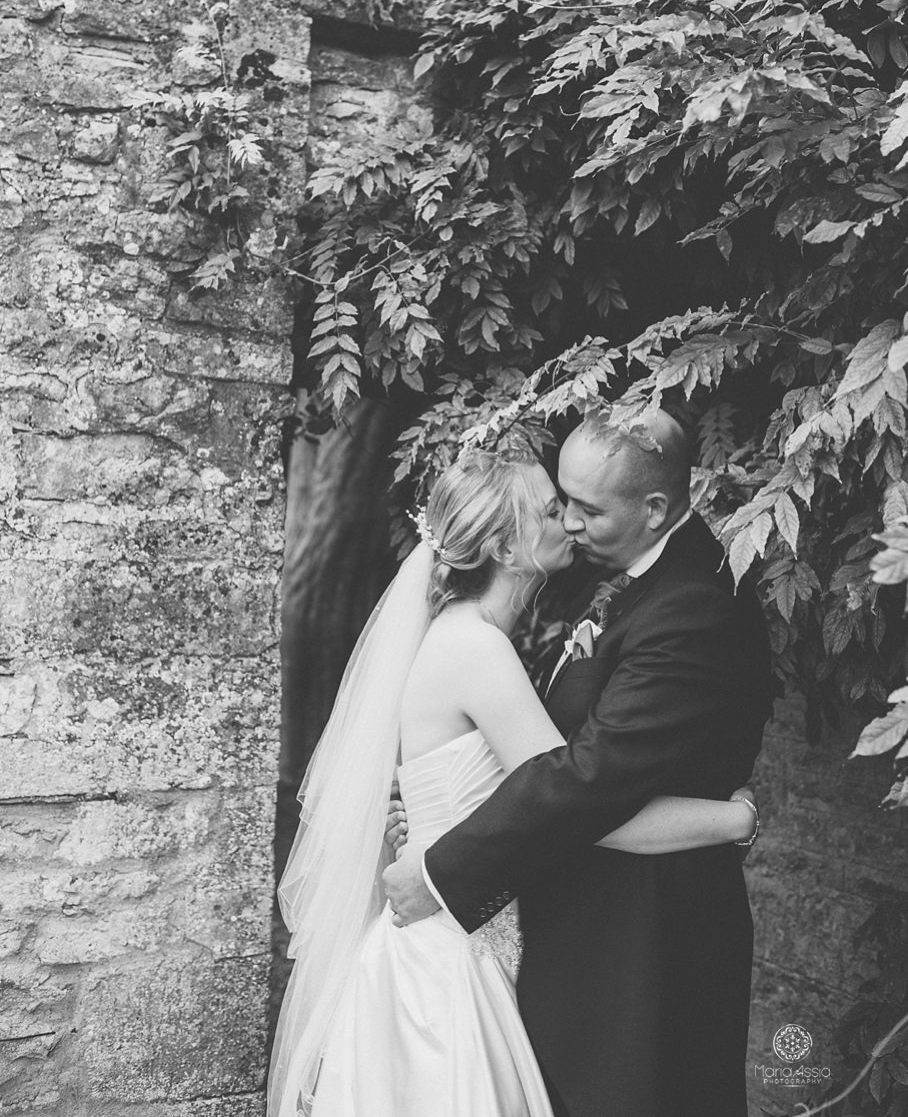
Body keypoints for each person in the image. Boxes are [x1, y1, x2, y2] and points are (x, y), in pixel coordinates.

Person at [268, 447, 760, 1117]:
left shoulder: (476, 637)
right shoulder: (477, 649)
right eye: (554, 509)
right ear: (507, 542)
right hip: (449, 961)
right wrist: (730, 820)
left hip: (467, 937)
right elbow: (583, 807)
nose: (571, 522)